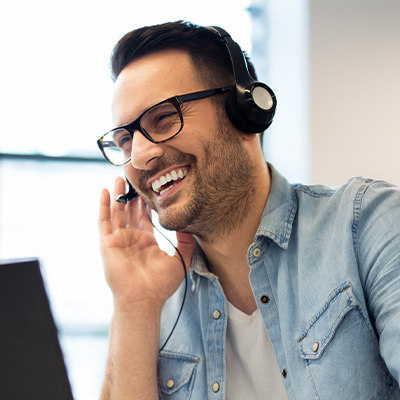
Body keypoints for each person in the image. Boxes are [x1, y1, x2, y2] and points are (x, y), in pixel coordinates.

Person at [97, 21, 400, 400]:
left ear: (245, 112)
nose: (140, 157)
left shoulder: (368, 226)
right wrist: (134, 306)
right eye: (125, 140)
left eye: (163, 118)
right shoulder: (154, 300)